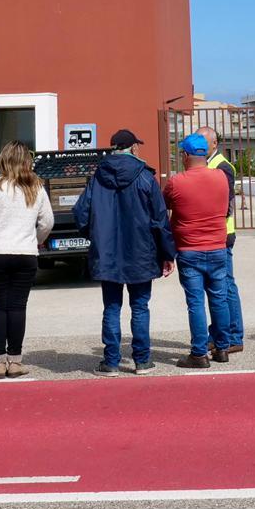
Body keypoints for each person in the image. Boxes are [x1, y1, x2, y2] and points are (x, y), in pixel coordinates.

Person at [73, 129, 176, 377]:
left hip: (107, 254)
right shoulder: (145, 177)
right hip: (141, 252)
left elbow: (81, 214)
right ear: (132, 148)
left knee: (111, 307)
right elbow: (160, 219)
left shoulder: (97, 177)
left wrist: (96, 236)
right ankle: (142, 360)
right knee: (140, 306)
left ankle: (110, 362)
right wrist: (167, 253)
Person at [0, 143, 55, 377]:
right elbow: (48, 222)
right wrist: (36, 239)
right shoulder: (36, 187)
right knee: (17, 307)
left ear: (4, 160)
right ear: (27, 160)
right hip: (25, 254)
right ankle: (15, 361)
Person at [163, 134, 236, 369]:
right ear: (205, 153)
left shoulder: (177, 182)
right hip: (217, 247)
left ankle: (199, 353)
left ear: (185, 155)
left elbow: (164, 207)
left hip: (189, 249)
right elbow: (226, 209)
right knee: (219, 299)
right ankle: (222, 348)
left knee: (195, 303)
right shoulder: (222, 178)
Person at [199, 125, 244, 355]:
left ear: (214, 144)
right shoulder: (207, 164)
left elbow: (224, 204)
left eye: (203, 143)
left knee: (225, 287)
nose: (199, 147)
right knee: (217, 288)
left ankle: (234, 336)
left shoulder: (223, 166)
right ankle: (218, 333)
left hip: (222, 234)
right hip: (214, 234)